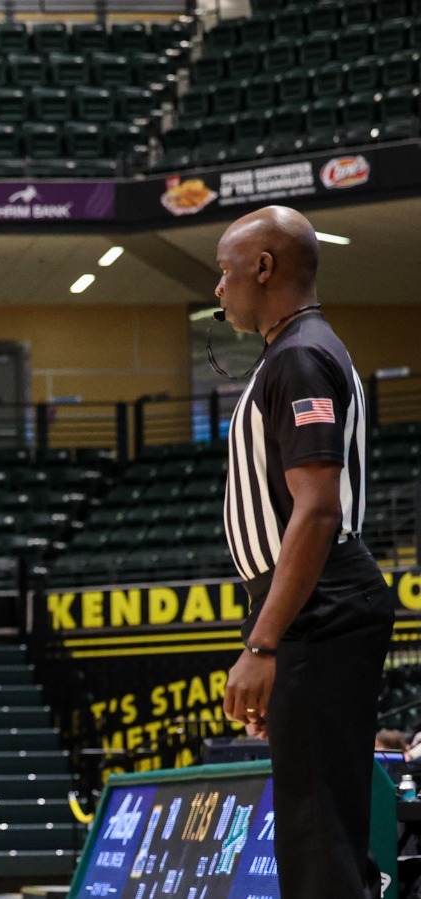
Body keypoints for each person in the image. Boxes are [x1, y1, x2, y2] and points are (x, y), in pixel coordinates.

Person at [214, 206, 393, 899]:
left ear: (264, 268)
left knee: (318, 826)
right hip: (310, 608)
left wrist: (263, 645)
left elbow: (317, 510)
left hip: (317, 605)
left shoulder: (298, 355)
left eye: (225, 273)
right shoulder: (298, 349)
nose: (219, 290)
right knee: (322, 823)